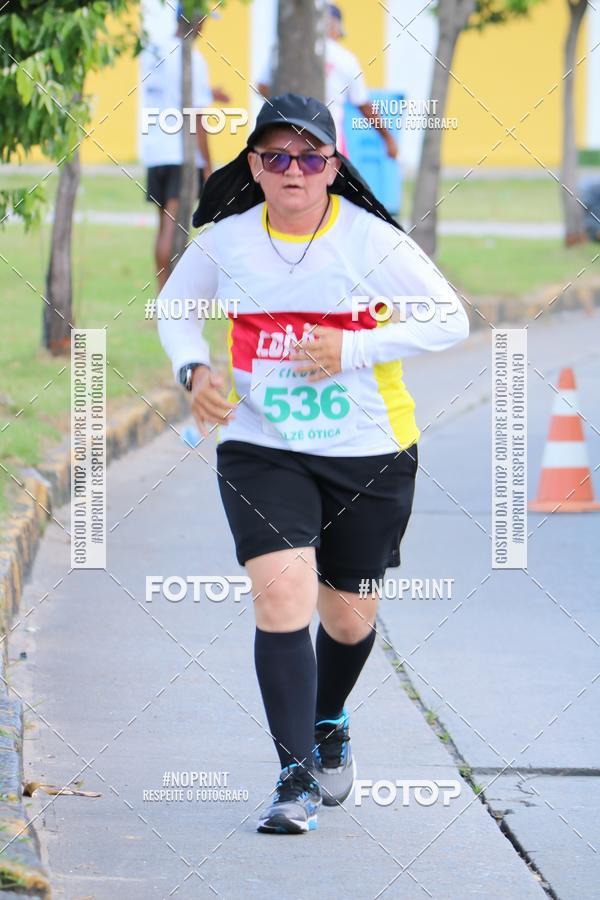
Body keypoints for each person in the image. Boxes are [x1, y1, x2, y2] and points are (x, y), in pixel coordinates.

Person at [157, 93, 469, 834]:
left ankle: (329, 716)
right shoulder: (226, 243)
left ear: (332, 166)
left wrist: (352, 349)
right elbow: (174, 310)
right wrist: (193, 371)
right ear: (256, 169)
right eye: (276, 156)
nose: (293, 169)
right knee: (282, 594)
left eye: (308, 156)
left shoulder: (371, 243)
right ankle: (293, 780)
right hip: (263, 447)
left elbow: (448, 317)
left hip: (370, 451)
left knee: (350, 615)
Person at [139, 3, 229, 289]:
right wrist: (209, 167)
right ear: (193, 19)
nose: (204, 27)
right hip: (180, 153)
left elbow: (172, 92)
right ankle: (170, 294)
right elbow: (197, 116)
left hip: (155, 150)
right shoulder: (193, 58)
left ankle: (162, 292)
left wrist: (211, 92)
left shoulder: (153, 53)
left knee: (162, 225)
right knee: (173, 228)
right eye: (203, 20)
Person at [258, 4, 397, 159]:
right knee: (332, 180)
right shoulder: (347, 59)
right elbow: (363, 105)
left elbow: (262, 87)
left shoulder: (283, 50)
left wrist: (285, 105)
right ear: (335, 28)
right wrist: (388, 139)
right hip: (329, 139)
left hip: (284, 136)